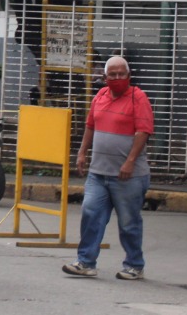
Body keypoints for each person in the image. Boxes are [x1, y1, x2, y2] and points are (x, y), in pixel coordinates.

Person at [63, 56, 154, 280]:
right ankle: (86, 262)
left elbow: (143, 131)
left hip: (128, 175)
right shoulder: (100, 96)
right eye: (112, 75)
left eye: (121, 74)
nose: (117, 78)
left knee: (128, 222)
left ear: (129, 76)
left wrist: (130, 160)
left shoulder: (138, 98)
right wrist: (82, 152)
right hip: (98, 172)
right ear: (104, 78)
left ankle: (134, 265)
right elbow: (90, 126)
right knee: (90, 213)